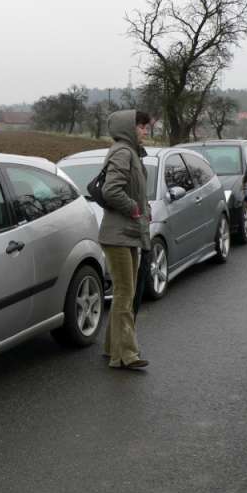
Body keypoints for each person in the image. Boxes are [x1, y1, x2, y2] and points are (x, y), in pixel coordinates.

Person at [98, 109, 152, 370]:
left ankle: (112, 347)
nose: (145, 131)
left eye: (145, 126)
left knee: (124, 292)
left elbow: (135, 190)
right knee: (124, 293)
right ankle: (126, 354)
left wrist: (144, 210)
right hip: (118, 234)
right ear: (129, 128)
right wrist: (134, 209)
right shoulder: (123, 152)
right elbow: (111, 190)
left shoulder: (131, 153)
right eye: (141, 126)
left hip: (127, 233)